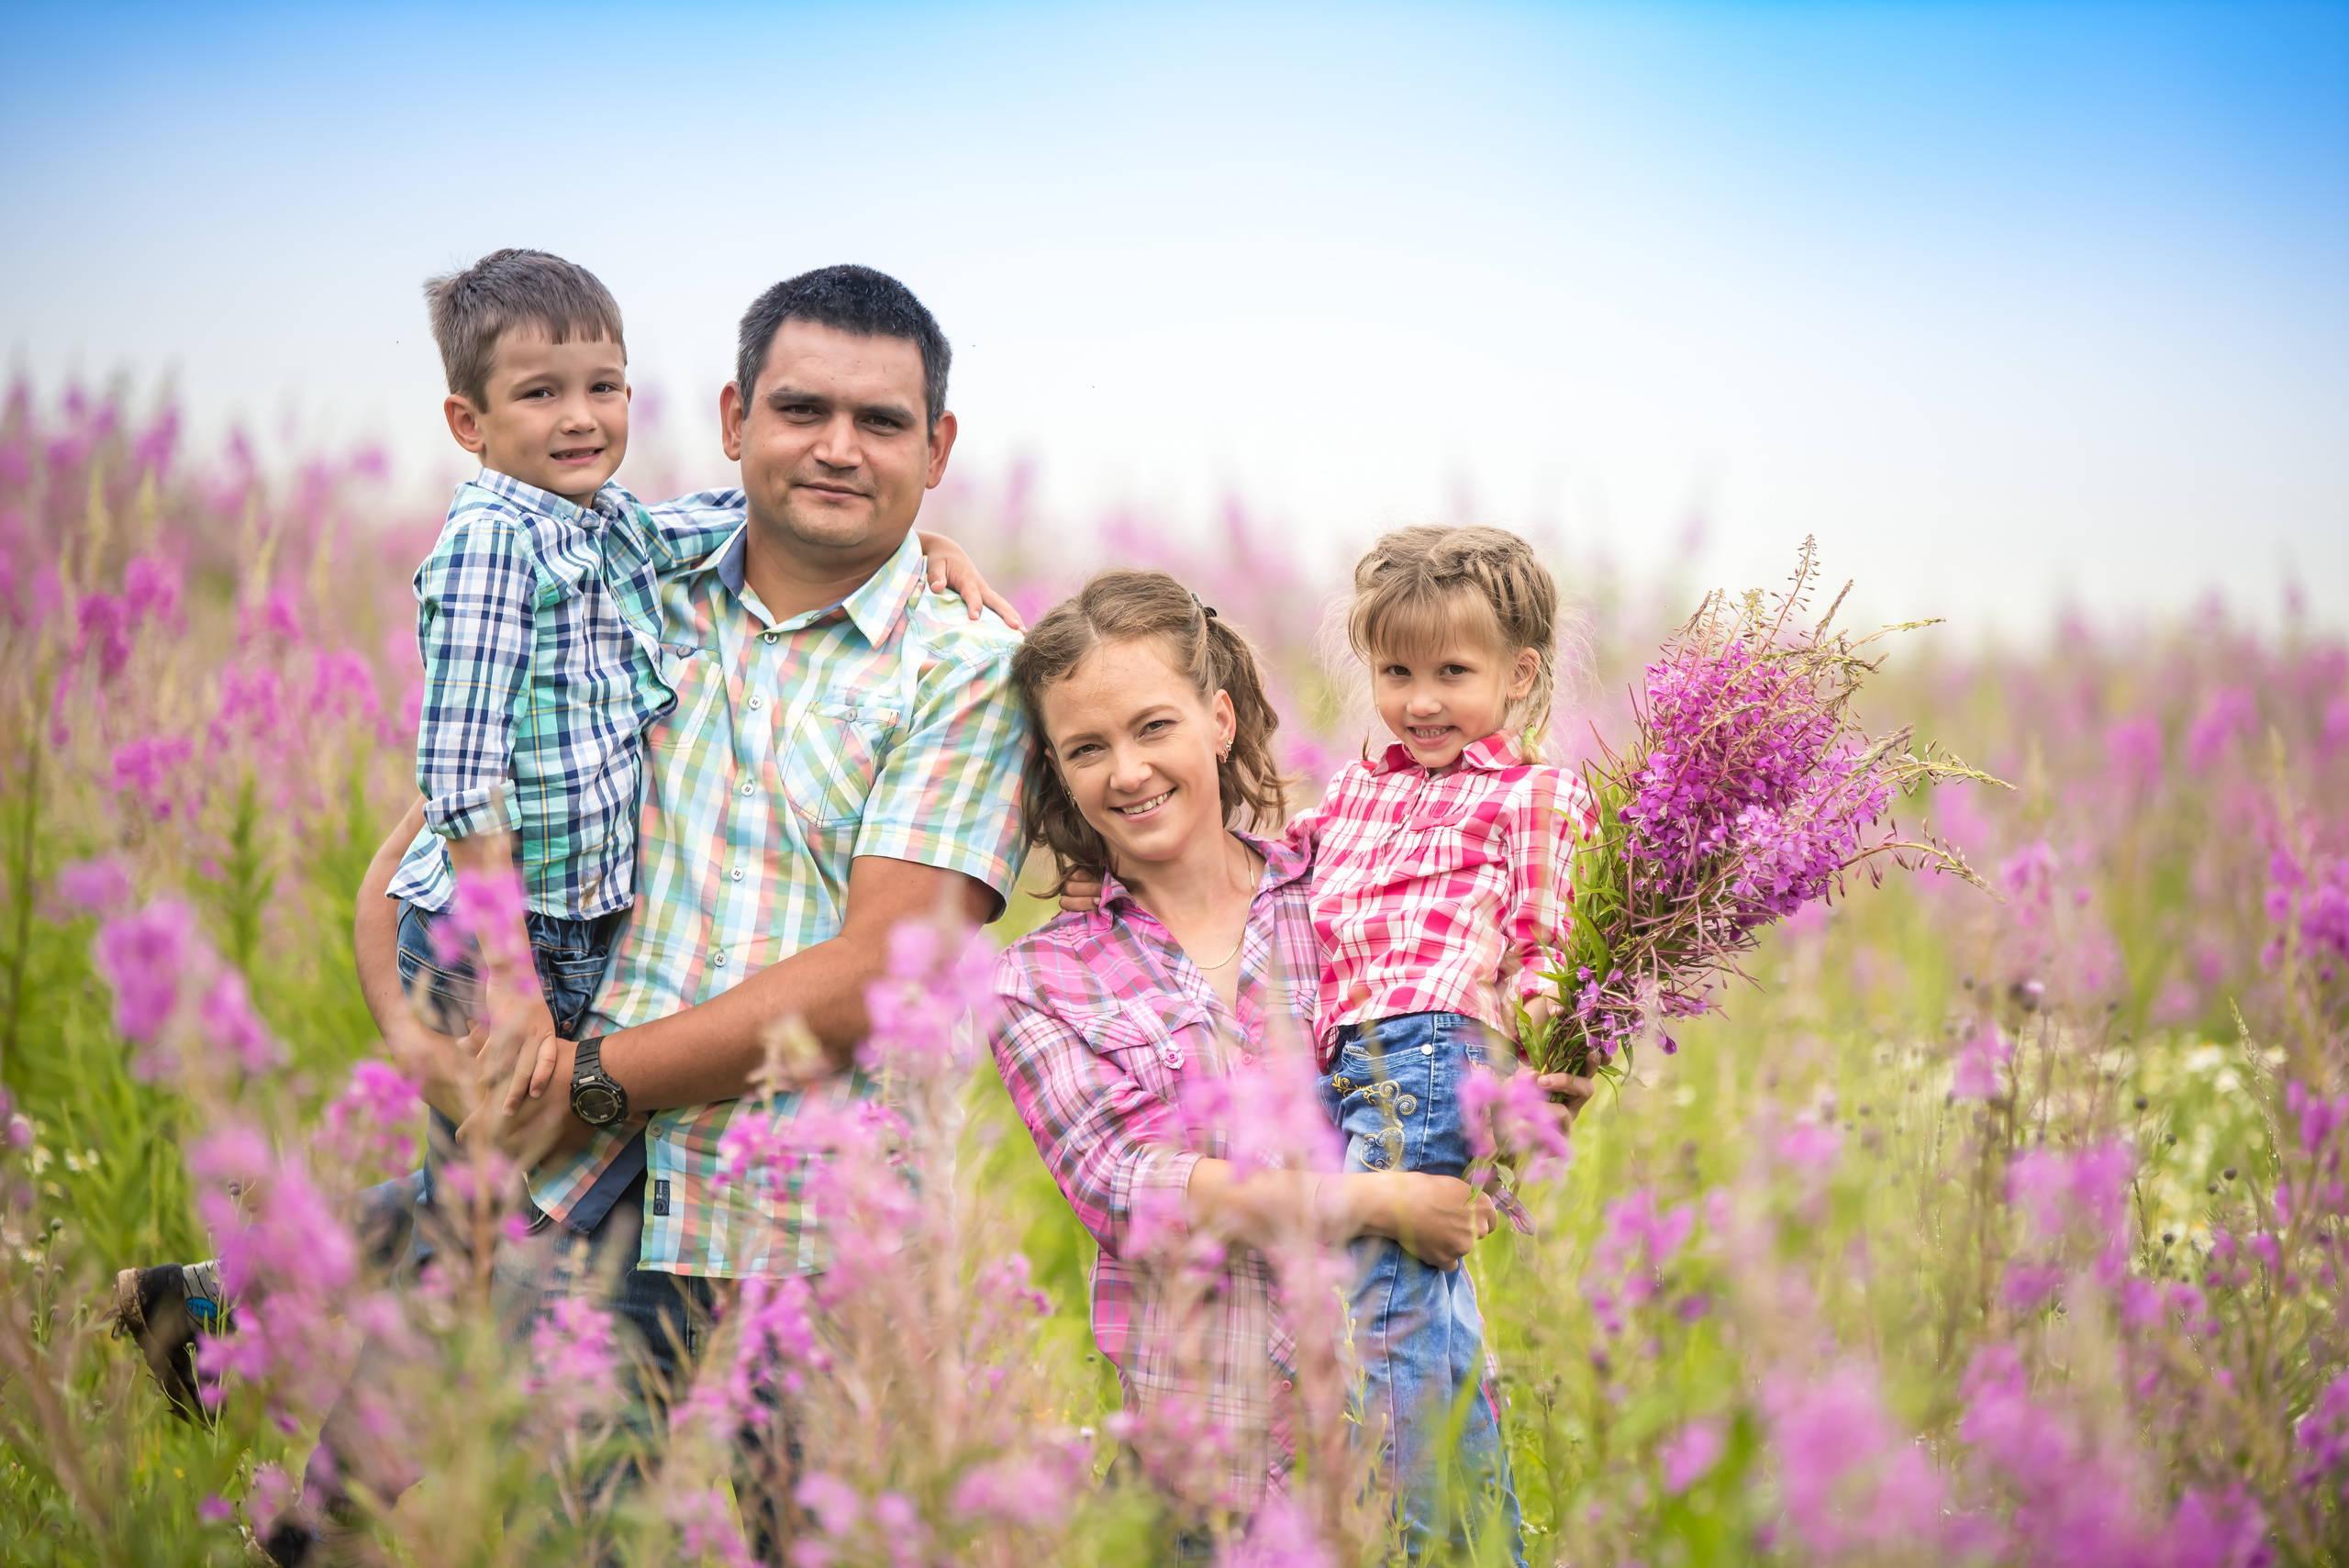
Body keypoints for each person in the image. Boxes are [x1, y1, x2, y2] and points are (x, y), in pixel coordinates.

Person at [107, 252, 1009, 1412]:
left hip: (784, 1203)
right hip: (572, 1085)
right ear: (736, 420)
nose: (837, 446)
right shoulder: (595, 575)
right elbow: (447, 808)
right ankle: (251, 1346)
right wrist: (424, 1015)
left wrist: (589, 1079)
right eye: (801, 409)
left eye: (879, 422)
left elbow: (882, 970)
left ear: (936, 451)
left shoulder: (952, 658)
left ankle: (225, 1298)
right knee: (442, 1423)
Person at [990, 569, 1590, 1554]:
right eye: (1085, 748)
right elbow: (1134, 1192)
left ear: (1219, 718)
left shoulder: (1344, 890)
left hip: (1402, 1448)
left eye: (1153, 727)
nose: (1127, 770)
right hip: (1206, 1482)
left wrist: (1530, 1097)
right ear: (1057, 771)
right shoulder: (1039, 981)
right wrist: (1374, 1202)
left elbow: (1439, 1107)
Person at [1296, 524, 1598, 1562]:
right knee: (1417, 1311)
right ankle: (1484, 1544)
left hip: (1437, 1049)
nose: (1420, 699)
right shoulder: (1351, 791)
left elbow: (1545, 941)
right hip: (1347, 1060)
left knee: (1389, 1316)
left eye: (1452, 672)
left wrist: (1539, 1071)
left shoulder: (1534, 793)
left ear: (1518, 674)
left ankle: (1440, 1545)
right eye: (1395, 670)